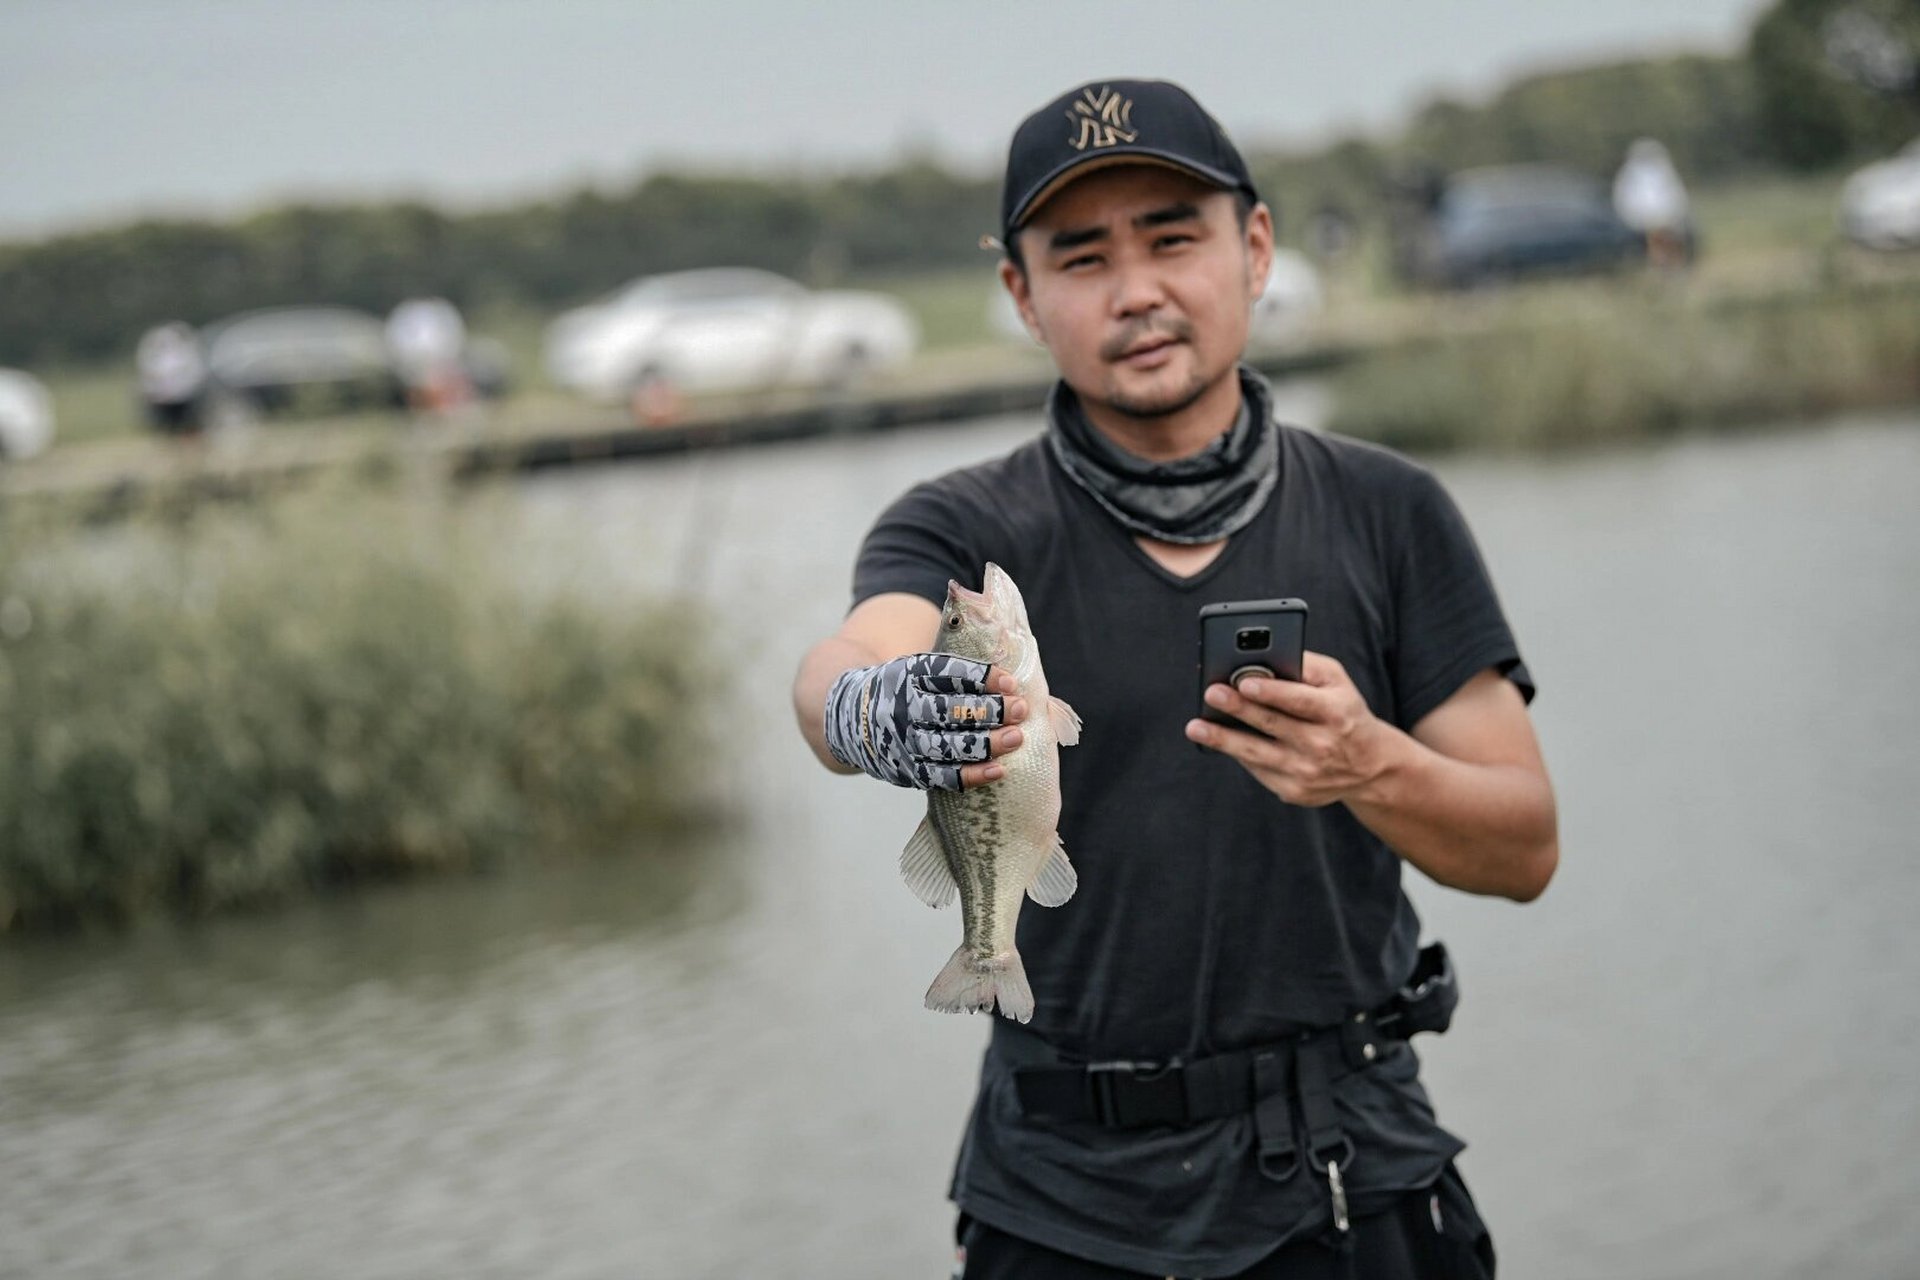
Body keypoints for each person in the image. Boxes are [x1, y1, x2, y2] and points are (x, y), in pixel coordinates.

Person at [790, 78, 1557, 1279]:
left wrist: (1371, 762)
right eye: (1082, 257)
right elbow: (848, 657)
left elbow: (1526, 847)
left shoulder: (1390, 510)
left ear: (1255, 248)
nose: (1136, 290)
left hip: (1355, 1179)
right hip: (1061, 1206)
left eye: (1173, 238)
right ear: (1022, 295)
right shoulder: (962, 529)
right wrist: (868, 706)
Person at [1612, 138, 1691, 272]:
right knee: (1655, 243)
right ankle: (1660, 266)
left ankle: (1674, 266)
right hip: (1645, 219)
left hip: (1666, 217)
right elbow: (1627, 200)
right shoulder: (1631, 174)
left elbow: (1674, 194)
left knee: (1670, 241)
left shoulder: (1663, 171)